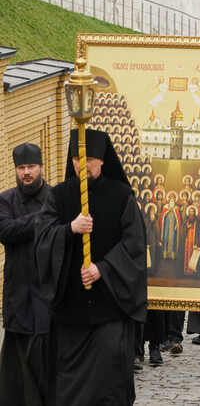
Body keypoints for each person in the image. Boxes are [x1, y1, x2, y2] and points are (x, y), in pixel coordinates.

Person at [35, 129, 147, 405]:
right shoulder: (59, 196)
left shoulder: (122, 196)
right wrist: (69, 229)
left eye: (89, 159)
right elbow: (42, 239)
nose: (81, 165)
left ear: (102, 160)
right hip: (70, 311)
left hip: (108, 309)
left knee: (108, 385)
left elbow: (134, 246)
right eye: (76, 158)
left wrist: (103, 269)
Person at [0, 143, 52, 405]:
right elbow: (5, 230)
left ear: (41, 167)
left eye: (31, 166)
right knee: (18, 376)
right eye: (21, 168)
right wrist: (43, 219)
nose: (27, 172)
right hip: (19, 297)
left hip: (48, 297)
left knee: (46, 367)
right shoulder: (5, 200)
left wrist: (30, 224)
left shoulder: (55, 197)